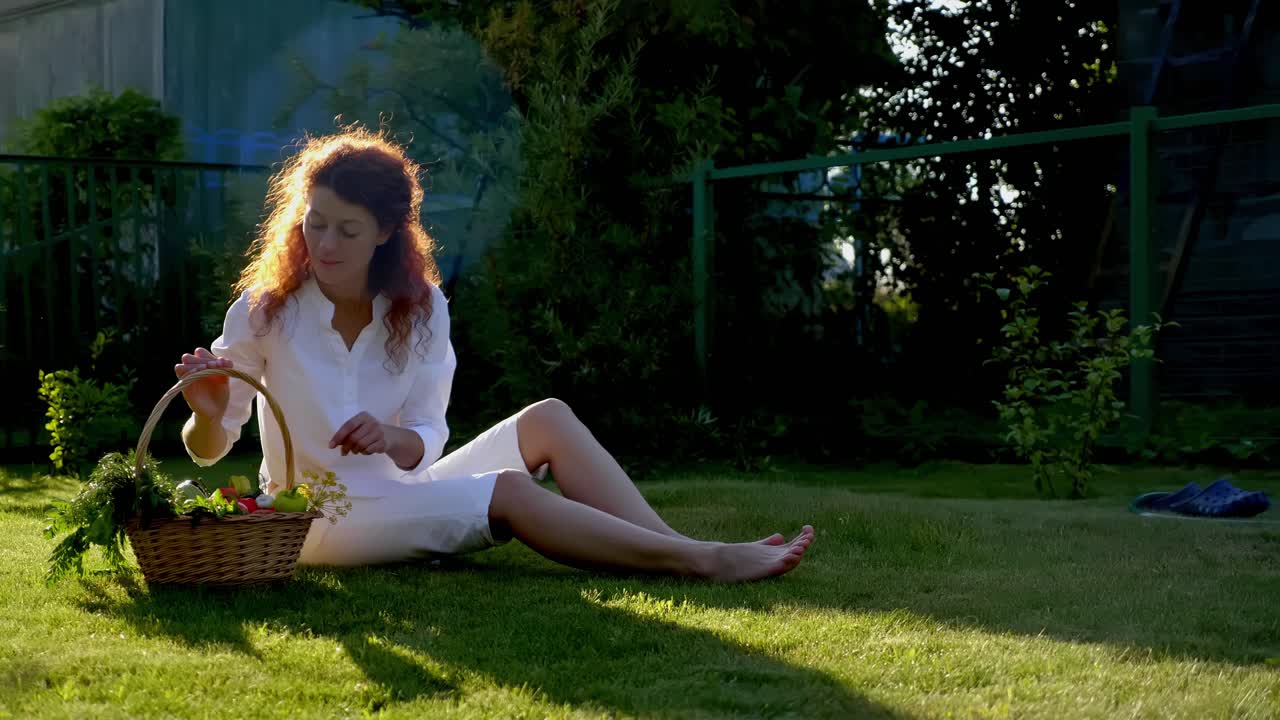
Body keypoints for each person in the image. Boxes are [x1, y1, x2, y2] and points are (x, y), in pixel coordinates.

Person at [176, 126, 814, 582]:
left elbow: (428, 431)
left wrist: (392, 438)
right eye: (315, 222)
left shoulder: (421, 305)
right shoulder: (265, 310)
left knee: (549, 417)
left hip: (404, 489)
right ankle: (702, 562)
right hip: (316, 519)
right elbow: (209, 449)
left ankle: (679, 546)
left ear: (386, 233)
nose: (325, 243)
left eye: (347, 230)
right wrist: (206, 413)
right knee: (508, 490)